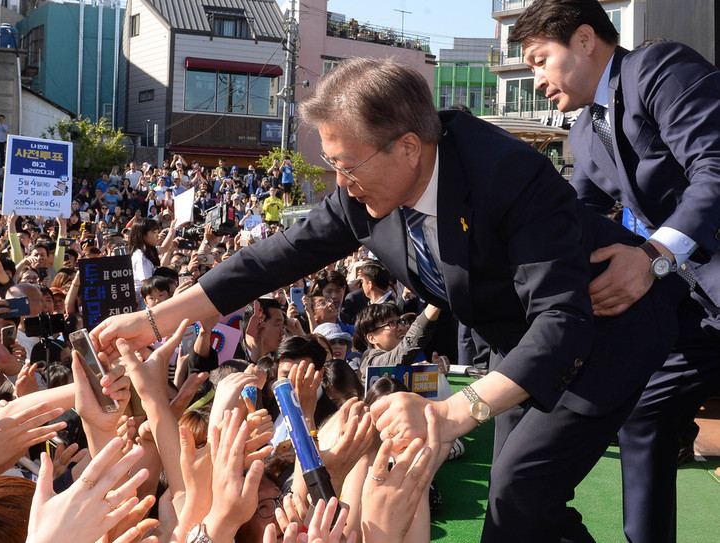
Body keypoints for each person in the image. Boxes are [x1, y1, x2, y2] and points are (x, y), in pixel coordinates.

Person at [91, 57, 690, 541]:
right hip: (522, 350)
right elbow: (272, 258)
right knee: (525, 511)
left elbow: (561, 321)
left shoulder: (509, 174)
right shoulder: (363, 187)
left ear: (408, 146)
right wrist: (153, 318)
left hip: (606, 333)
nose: (338, 184)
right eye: (330, 166)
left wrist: (451, 413)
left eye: (346, 167)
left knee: (518, 493)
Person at [510, 2, 720, 541]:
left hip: (697, 282)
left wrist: (653, 256)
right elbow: (565, 218)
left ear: (584, 40)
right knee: (642, 410)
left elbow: (715, 168)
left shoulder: (660, 69)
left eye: (538, 60)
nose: (535, 82)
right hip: (695, 311)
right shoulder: (583, 134)